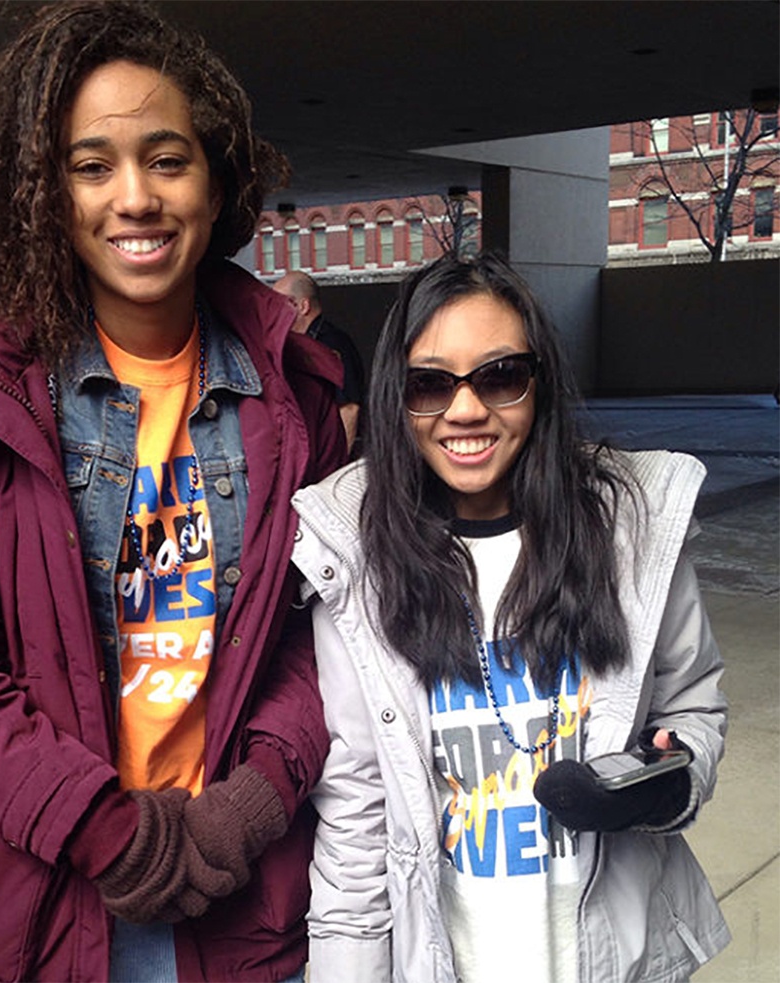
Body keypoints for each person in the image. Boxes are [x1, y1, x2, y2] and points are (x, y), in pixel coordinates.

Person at [0, 2, 346, 981]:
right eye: (91, 166)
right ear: (43, 193)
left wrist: (254, 799)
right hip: (35, 905)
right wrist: (104, 830)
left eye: (167, 159)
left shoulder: (296, 394)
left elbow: (323, 632)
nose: (135, 197)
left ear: (216, 181)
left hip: (237, 889)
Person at [290, 253, 730, 982]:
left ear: (540, 382)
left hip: (615, 959)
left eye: (499, 376)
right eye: (431, 384)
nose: (465, 410)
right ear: (397, 397)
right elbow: (356, 817)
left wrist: (668, 778)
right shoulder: (356, 556)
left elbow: (693, 707)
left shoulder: (632, 529)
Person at [273, 271, 366, 456]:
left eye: (279, 305)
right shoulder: (303, 344)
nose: (274, 313)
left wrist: (338, 466)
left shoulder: (331, 344)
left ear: (303, 306)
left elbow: (349, 409)